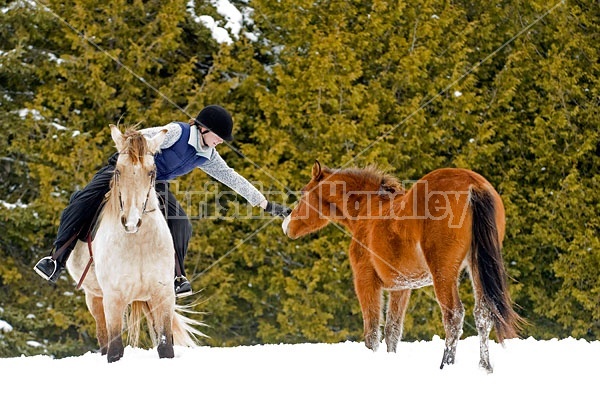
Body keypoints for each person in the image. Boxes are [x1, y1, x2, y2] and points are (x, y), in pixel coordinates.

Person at [34, 105, 291, 297]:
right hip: (122, 171)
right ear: (204, 128)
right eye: (219, 136)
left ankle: (177, 276)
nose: (221, 141)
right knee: (82, 201)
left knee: (181, 222)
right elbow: (138, 138)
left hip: (152, 184)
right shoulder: (177, 132)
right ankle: (56, 258)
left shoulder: (208, 155)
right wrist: (136, 150)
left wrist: (266, 205)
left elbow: (232, 178)